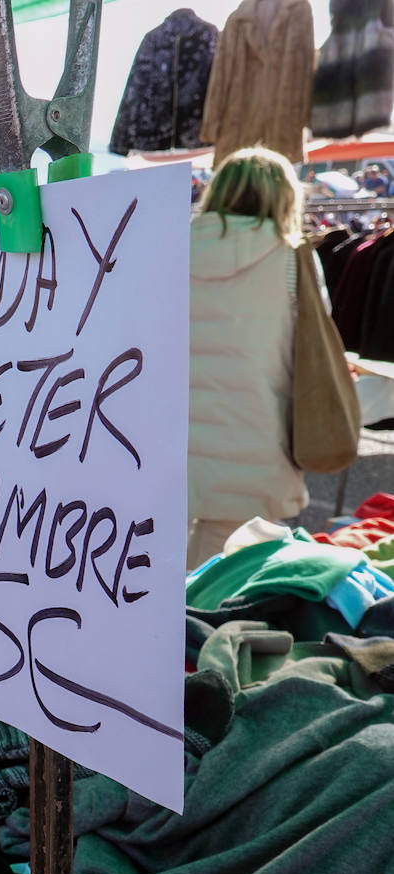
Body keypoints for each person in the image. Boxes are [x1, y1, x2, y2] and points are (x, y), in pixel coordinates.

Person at [187, 146, 320, 568]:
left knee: (149, 574)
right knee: (221, 580)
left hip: (165, 443)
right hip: (256, 438)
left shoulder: (169, 246)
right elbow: (314, 345)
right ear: (286, 197)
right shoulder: (292, 258)